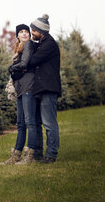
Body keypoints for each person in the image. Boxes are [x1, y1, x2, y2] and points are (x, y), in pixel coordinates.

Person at [0, 24, 42, 165]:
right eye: (21, 32)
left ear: (29, 35)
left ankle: (30, 156)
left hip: (28, 86)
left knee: (30, 122)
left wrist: (11, 67)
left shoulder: (28, 44)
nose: (24, 34)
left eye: (26, 32)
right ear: (17, 35)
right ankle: (16, 155)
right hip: (20, 88)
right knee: (20, 123)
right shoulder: (18, 48)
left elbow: (24, 64)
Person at [29, 14, 62, 163]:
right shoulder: (42, 43)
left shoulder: (49, 44)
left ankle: (51, 154)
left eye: (33, 31)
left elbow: (33, 60)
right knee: (36, 123)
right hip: (39, 88)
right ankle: (37, 153)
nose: (31, 34)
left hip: (48, 88)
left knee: (49, 123)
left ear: (40, 31)